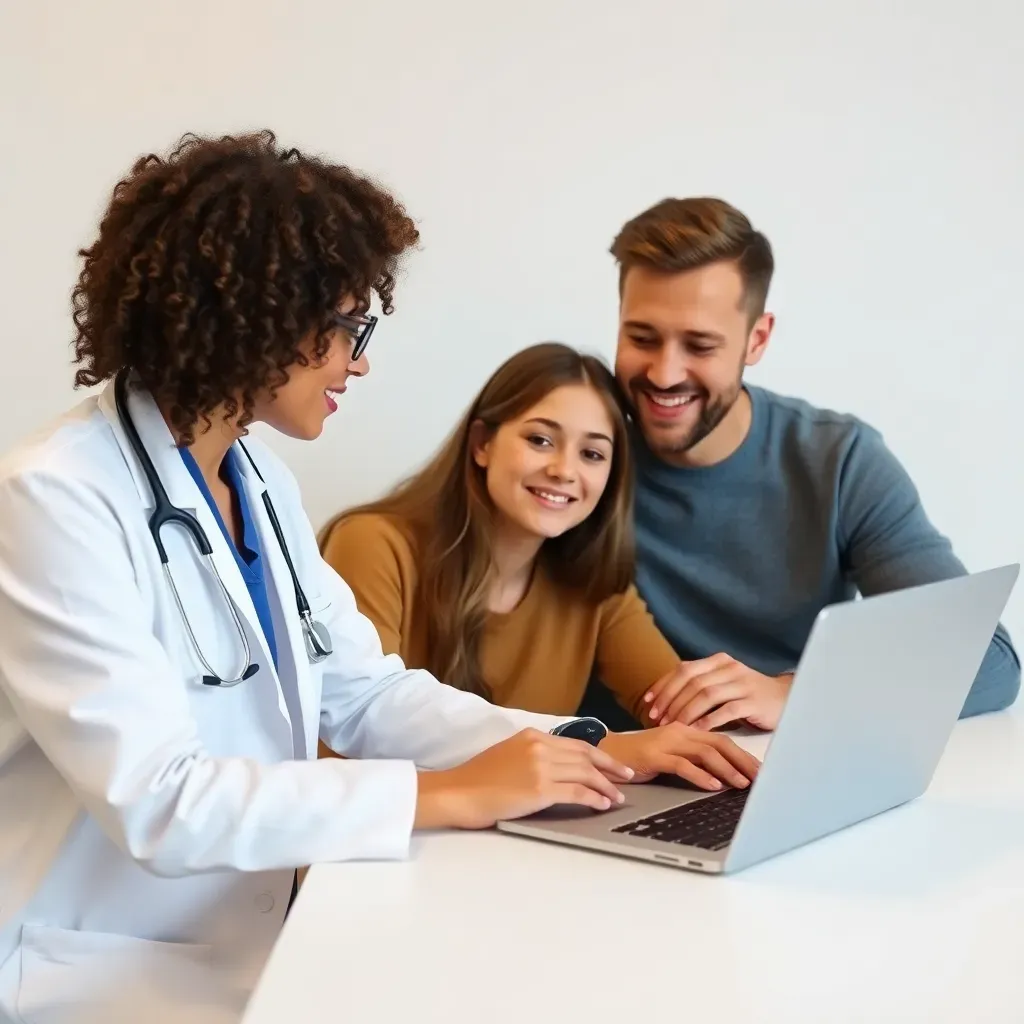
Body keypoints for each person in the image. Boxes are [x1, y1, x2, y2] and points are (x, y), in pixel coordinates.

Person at [0, 134, 758, 1024]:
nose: (359, 362)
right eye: (350, 328)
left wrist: (579, 750)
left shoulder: (256, 478)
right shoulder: (58, 496)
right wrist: (452, 791)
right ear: (264, 315)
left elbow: (363, 694)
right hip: (91, 972)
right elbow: (162, 800)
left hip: (250, 946)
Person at [580, 196, 1020, 733]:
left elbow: (990, 662)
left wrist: (797, 695)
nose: (666, 373)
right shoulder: (577, 461)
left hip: (776, 763)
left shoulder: (839, 462)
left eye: (699, 345)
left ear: (756, 339)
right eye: (642, 338)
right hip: (616, 774)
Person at [318, 341, 696, 728]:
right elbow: (355, 733)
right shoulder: (372, 545)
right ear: (482, 444)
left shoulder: (595, 585)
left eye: (592, 454)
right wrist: (594, 750)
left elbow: (681, 714)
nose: (564, 470)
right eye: (540, 440)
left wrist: (752, 697)